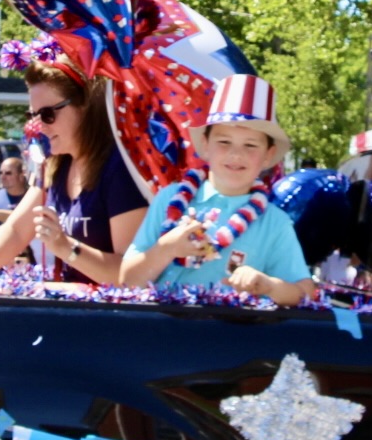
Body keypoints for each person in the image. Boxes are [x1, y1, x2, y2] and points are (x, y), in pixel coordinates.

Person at [122, 75, 317, 305]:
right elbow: (126, 282)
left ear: (268, 155)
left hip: (228, 338)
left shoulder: (274, 223)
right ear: (205, 145)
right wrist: (167, 248)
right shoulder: (169, 199)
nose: (236, 155)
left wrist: (269, 285)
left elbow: (305, 292)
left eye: (250, 145)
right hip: (160, 333)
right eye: (224, 142)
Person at [0, 60, 146, 285]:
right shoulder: (56, 166)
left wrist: (65, 247)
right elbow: (16, 231)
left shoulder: (119, 169)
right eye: (33, 116)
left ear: (85, 105)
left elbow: (131, 273)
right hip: (70, 310)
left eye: (47, 114)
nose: (40, 126)